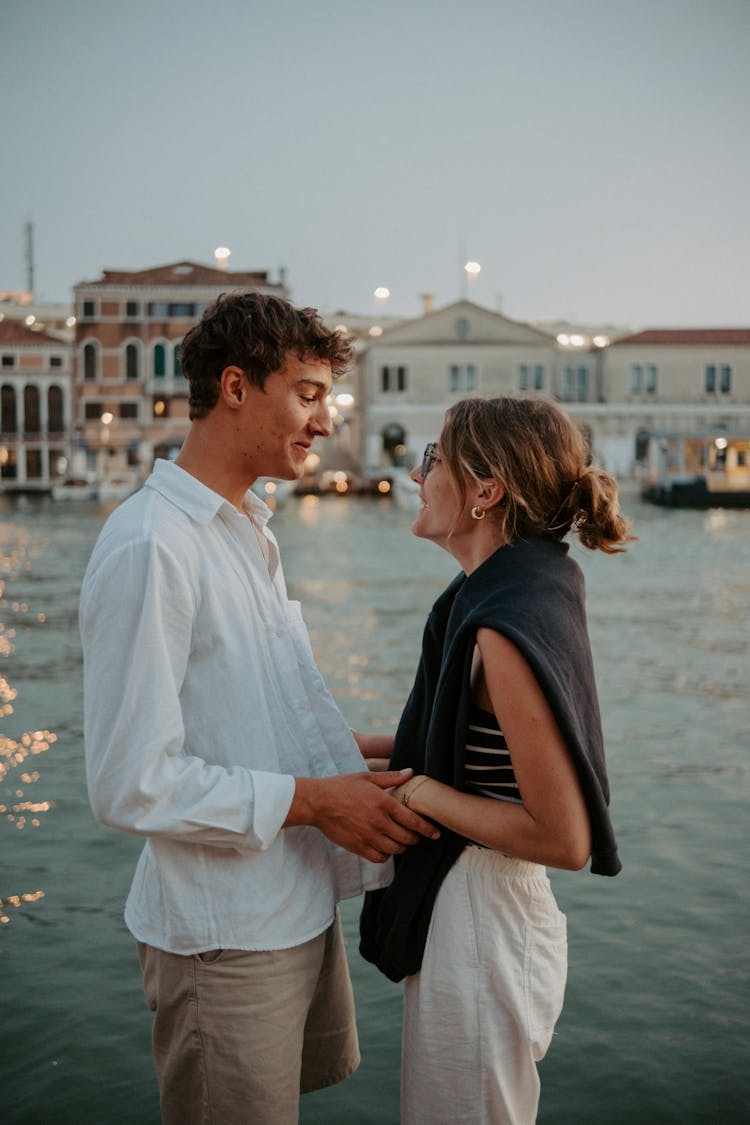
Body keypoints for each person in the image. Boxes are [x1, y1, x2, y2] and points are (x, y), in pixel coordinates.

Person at [79, 291, 438, 1125]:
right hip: (222, 937)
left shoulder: (248, 529)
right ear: (236, 387)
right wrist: (318, 801)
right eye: (308, 392)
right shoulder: (151, 546)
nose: (325, 418)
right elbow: (130, 781)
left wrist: (391, 749)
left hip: (290, 905)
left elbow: (243, 719)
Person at [360, 395, 631, 1125]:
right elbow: (462, 737)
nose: (417, 476)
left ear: (486, 491)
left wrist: (416, 794)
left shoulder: (502, 630)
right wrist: (330, 747)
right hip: (479, 907)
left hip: (481, 918)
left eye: (434, 459)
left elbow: (564, 836)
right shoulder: (521, 586)